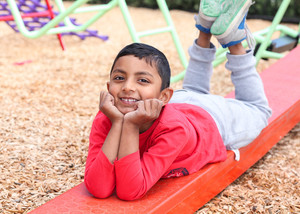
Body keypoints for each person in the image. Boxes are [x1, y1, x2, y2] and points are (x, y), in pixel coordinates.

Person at [84, 0, 272, 201]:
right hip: (180, 101)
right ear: (108, 87)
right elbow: (99, 188)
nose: (127, 87)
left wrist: (128, 125)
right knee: (194, 90)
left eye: (142, 80)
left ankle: (234, 42)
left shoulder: (174, 130)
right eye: (119, 78)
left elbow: (130, 191)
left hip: (214, 119)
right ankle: (204, 29)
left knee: (259, 111)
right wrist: (117, 122)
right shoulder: (108, 115)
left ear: (163, 96)